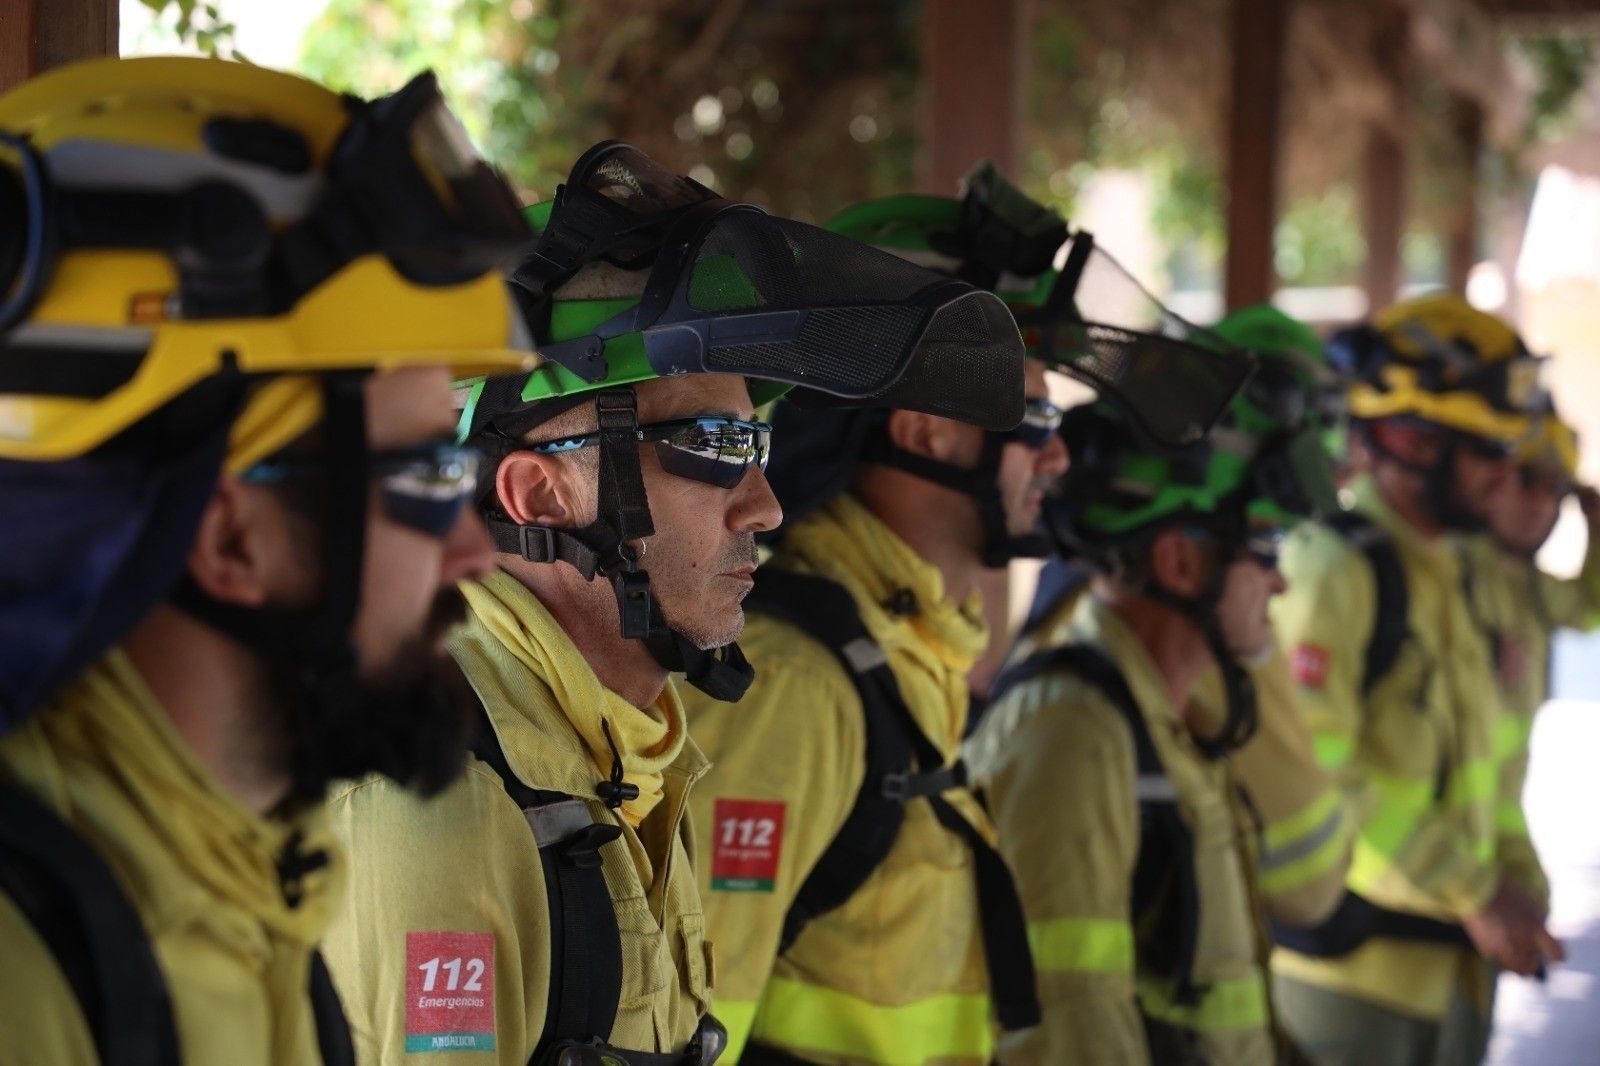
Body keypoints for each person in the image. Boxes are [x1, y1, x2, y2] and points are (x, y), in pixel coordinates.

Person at [318, 141, 1030, 1065]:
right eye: (711, 444)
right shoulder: (440, 805)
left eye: (756, 444)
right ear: (538, 497)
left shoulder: (624, 754)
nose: (766, 505)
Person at [0, 56, 538, 1063]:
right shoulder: (23, 975)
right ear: (229, 536)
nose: (477, 551)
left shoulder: (251, 881)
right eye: (428, 477)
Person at [681, 165, 1255, 1064]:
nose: (1056, 459)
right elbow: (695, 1034)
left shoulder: (903, 654)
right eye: (1032, 418)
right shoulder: (799, 685)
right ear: (925, 429)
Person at [966, 330, 1336, 1064]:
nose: (1281, 582)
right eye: (1264, 550)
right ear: (1177, 559)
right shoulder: (1075, 736)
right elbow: (1067, 1029)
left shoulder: (1161, 718)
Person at [1269, 293, 1560, 1066]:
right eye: (1489, 451)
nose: (1508, 476)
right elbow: (1311, 779)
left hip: (1454, 969)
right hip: (1350, 985)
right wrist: (1474, 889)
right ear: (1408, 438)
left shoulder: (1452, 566)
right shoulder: (1334, 567)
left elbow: (1488, 771)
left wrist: (1517, 877)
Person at [1192, 305, 1353, 931]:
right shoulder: (1205, 626)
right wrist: (1252, 654)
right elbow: (1308, 886)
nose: (1279, 578)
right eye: (1263, 549)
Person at [1460, 405, 1600, 938]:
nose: (1543, 504)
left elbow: (1588, 608)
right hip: (1445, 858)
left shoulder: (1527, 581)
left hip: (1493, 828)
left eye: (1557, 491)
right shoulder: (1454, 567)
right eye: (1529, 482)